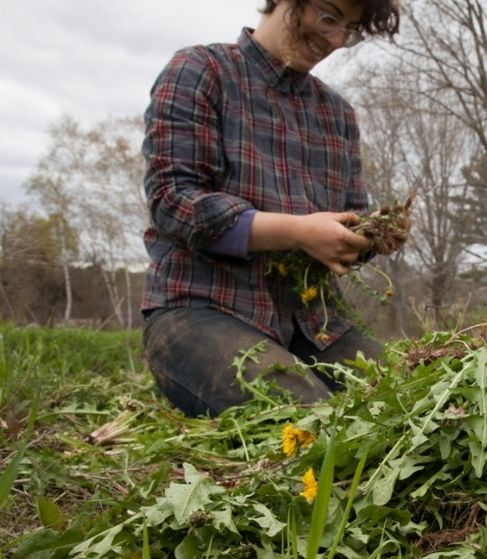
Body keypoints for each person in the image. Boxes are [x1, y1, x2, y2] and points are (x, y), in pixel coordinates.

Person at [140, 0, 401, 417]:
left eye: (347, 30)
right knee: (316, 419)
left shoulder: (337, 115)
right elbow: (175, 201)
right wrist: (298, 232)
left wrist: (366, 237)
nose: (334, 40)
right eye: (328, 16)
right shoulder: (201, 71)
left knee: (411, 398)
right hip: (200, 311)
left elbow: (352, 215)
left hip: (316, 326)